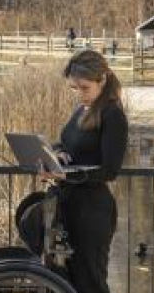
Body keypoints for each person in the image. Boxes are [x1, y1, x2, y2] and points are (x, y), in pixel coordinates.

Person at [39, 50, 128, 293]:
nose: (79, 94)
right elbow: (66, 141)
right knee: (67, 281)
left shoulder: (113, 114)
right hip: (67, 204)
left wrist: (67, 175)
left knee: (91, 282)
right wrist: (56, 154)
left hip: (92, 211)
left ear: (103, 81)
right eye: (74, 88)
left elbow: (110, 170)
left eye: (84, 87)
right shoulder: (82, 109)